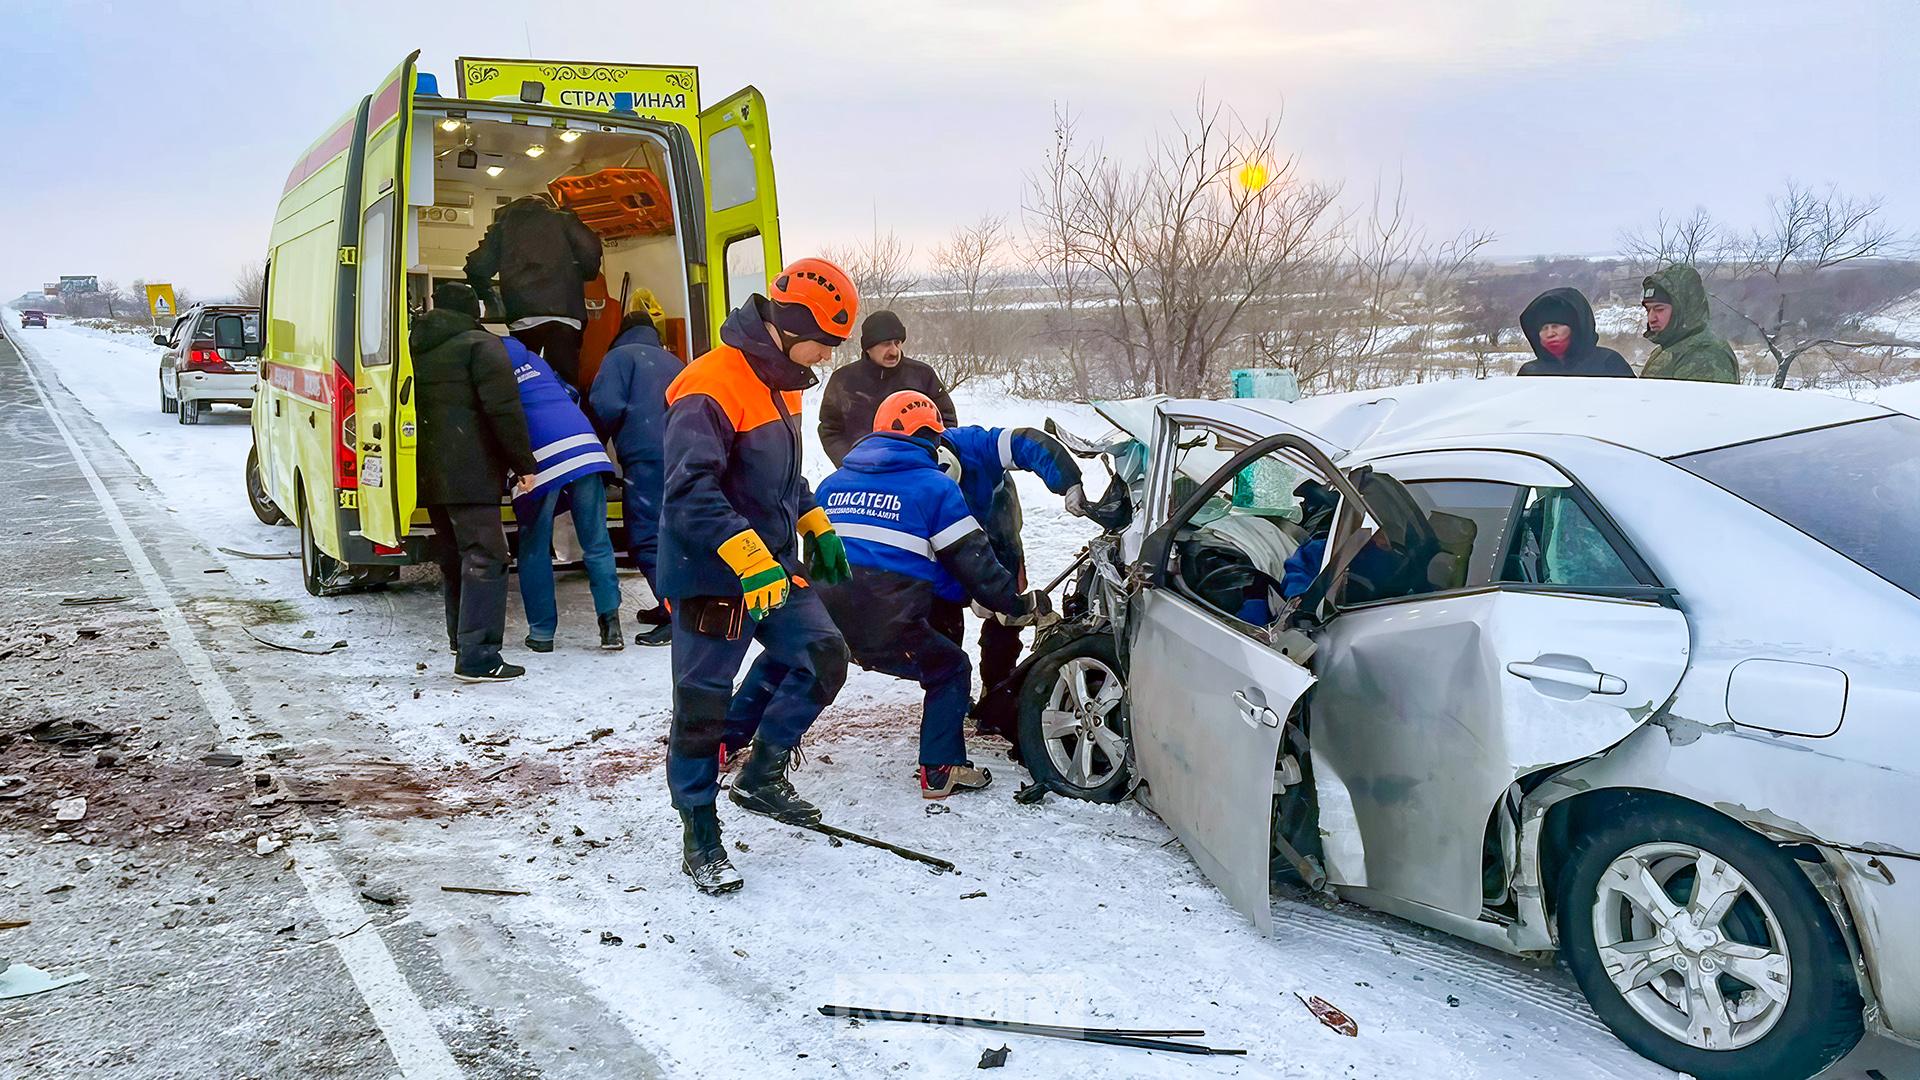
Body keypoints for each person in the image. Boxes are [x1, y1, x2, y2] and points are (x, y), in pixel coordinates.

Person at [659, 256, 859, 895]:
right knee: (702, 707)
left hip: (773, 570)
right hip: (712, 575)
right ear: (792, 322)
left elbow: (781, 475)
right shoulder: (709, 384)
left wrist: (815, 522)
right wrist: (743, 556)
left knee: (822, 656)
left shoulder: (785, 380)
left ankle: (763, 776)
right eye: (823, 342)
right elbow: (688, 491)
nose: (826, 356)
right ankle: (699, 831)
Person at [814, 393, 1051, 798]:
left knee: (790, 664)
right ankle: (941, 769)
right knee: (950, 667)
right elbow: (972, 562)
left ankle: (729, 739)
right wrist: (1016, 605)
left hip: (825, 619)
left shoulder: (833, 484)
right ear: (935, 438)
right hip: (885, 628)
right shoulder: (933, 486)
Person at [409, 282, 538, 682]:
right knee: (487, 556)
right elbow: (503, 410)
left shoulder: (415, 347)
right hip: (472, 471)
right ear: (475, 311)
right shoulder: (481, 347)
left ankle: (460, 639)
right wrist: (523, 463)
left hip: (430, 470)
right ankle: (479, 656)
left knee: (455, 556)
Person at [936, 415, 1088, 707]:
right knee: (942, 613)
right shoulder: (903, 467)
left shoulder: (978, 445)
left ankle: (997, 690)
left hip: (997, 527)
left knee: (1005, 614)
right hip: (939, 536)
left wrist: (1068, 482)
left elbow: (1028, 442)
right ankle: (948, 692)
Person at [502, 332, 623, 653]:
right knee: (597, 543)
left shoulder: (494, 370)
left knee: (534, 548)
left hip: (541, 458)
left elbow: (496, 420)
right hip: (586, 450)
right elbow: (571, 394)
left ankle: (542, 634)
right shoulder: (538, 362)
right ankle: (611, 628)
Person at [588, 289, 683, 646]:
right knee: (673, 535)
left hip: (645, 458)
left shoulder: (618, 358)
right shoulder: (673, 361)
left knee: (645, 539)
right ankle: (670, 604)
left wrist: (594, 447)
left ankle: (676, 614)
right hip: (682, 456)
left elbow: (605, 406)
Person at [464, 194, 603, 388]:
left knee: (523, 380)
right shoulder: (564, 219)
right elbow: (591, 250)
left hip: (524, 317)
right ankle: (565, 415)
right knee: (564, 385)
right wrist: (585, 274)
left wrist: (488, 296)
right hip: (566, 315)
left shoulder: (505, 225)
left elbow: (478, 267)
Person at [816, 309, 957, 466]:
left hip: (915, 472)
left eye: (897, 343)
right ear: (868, 347)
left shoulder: (922, 375)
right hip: (863, 474)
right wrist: (849, 463)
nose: (894, 351)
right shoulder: (843, 380)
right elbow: (830, 429)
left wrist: (932, 458)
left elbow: (947, 421)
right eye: (886, 344)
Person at [1640, 264, 1741, 383]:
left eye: (1659, 309)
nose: (1651, 318)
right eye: (1648, 310)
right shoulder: (1669, 348)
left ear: (1683, 309)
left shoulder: (1707, 356)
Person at [1516, 287, 1634, 377]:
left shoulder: (1609, 363)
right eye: (1544, 328)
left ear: (1575, 328)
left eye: (1556, 326)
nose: (1550, 333)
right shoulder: (1531, 372)